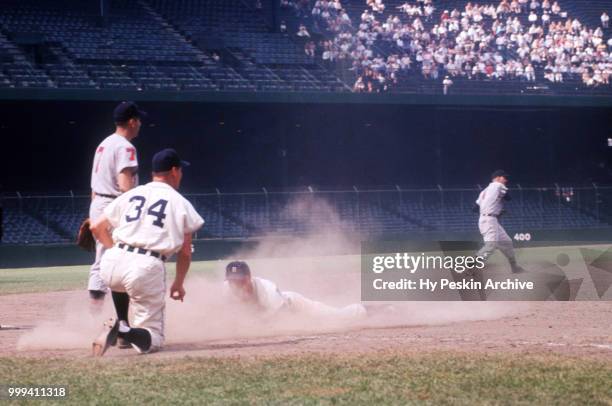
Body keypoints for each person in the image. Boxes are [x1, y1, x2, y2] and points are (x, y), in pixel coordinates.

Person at [89, 149, 204, 356]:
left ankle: (122, 323)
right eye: (181, 171)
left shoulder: (132, 193)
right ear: (174, 171)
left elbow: (96, 227)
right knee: (153, 339)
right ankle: (122, 330)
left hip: (112, 262)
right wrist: (178, 283)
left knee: (120, 283)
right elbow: (185, 252)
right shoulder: (180, 202)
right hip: (145, 266)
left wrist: (114, 250)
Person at [88, 101, 144, 307]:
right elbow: (124, 184)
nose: (140, 124)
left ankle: (95, 311)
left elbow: (95, 185)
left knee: (102, 257)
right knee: (119, 258)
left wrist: (95, 213)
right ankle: (114, 313)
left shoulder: (105, 143)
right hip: (116, 205)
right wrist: (134, 211)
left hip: (100, 203)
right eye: (138, 120)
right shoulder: (125, 147)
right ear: (131, 121)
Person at [223, 261, 391, 320]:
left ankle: (381, 310)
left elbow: (277, 322)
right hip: (275, 314)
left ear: (249, 277)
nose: (236, 285)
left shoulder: (266, 290)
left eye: (240, 280)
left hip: (294, 306)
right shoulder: (225, 291)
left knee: (337, 317)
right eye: (233, 281)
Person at [474, 170, 525, 274]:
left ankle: (514, 267)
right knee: (491, 245)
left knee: (507, 242)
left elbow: (475, 208)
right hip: (489, 220)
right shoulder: (497, 185)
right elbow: (508, 198)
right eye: (503, 177)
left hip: (489, 219)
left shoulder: (484, 191)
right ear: (497, 178)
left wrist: (494, 209)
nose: (506, 180)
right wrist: (493, 211)